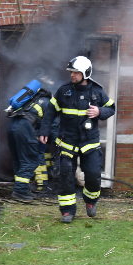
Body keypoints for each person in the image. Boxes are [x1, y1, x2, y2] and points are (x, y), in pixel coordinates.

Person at [39, 56, 115, 223]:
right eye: (71, 72)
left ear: (85, 73)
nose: (72, 75)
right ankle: (67, 211)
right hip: (67, 141)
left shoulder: (97, 91)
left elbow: (111, 108)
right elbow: (51, 112)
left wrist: (99, 112)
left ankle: (90, 201)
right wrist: (44, 130)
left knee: (94, 174)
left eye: (76, 72)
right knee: (65, 175)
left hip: (90, 142)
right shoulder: (64, 91)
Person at [6, 80, 52, 201]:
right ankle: (20, 191)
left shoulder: (29, 100)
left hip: (12, 127)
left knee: (19, 160)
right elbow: (49, 124)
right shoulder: (47, 103)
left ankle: (21, 188)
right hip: (24, 129)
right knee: (30, 160)